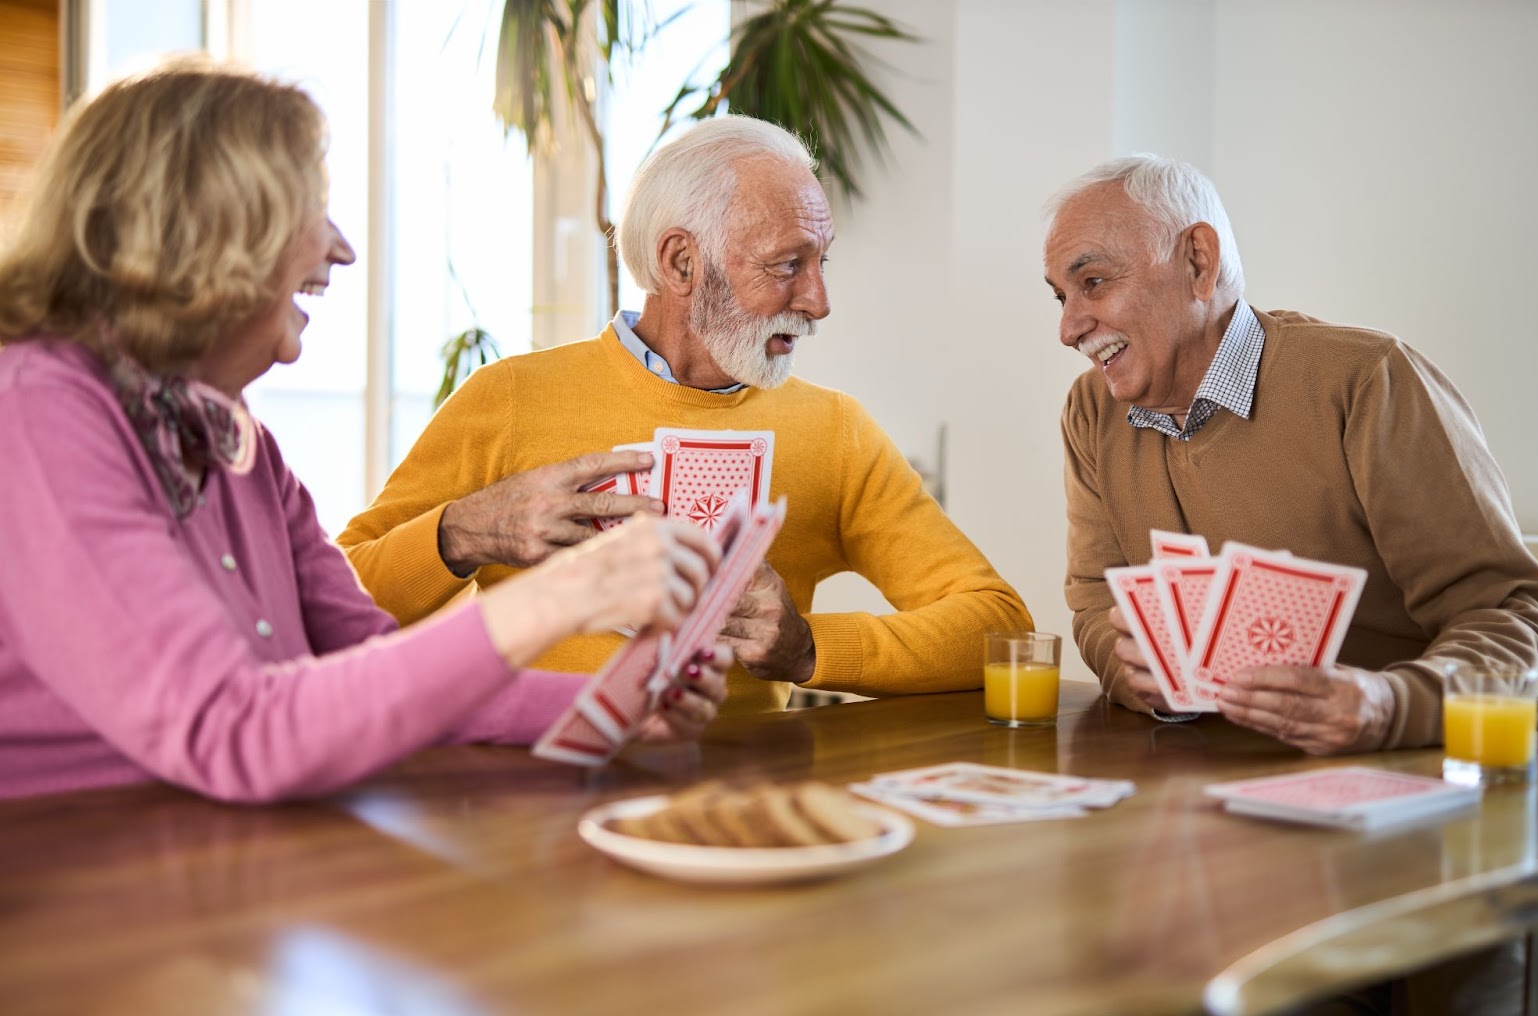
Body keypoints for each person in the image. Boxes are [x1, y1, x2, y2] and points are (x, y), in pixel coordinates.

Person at [0, 60, 733, 804]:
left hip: (229, 871)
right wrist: (563, 595)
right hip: (85, 891)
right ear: (208, 230)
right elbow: (234, 731)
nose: (341, 248)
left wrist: (613, 705)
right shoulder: (35, 413)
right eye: (311, 209)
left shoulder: (242, 447)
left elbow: (380, 668)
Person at [1045, 154, 1538, 1016]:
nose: (1069, 327)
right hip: (1282, 817)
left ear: (1198, 260)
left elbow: (1514, 613)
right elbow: (1095, 593)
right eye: (1058, 295)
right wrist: (1122, 656)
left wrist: (1386, 702)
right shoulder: (1090, 416)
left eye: (1091, 284)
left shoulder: (1366, 380)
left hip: (1483, 813)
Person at [338, 115, 1032, 714]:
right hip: (531, 797)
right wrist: (461, 534)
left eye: (821, 262)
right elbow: (329, 609)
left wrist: (811, 647)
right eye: (788, 264)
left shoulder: (835, 432)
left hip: (731, 812)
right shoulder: (508, 399)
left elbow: (998, 626)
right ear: (679, 262)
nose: (819, 301)